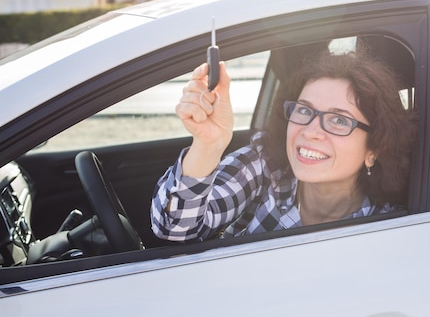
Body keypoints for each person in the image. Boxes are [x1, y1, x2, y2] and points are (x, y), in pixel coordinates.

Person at [151, 48, 415, 241]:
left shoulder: (389, 227)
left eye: (338, 120)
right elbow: (174, 229)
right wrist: (208, 144)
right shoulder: (266, 165)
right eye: (304, 110)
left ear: (374, 149)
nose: (311, 131)